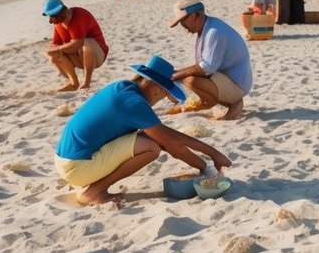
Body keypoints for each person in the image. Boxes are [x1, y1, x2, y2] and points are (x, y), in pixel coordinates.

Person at [53, 54, 233, 206]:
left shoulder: (123, 88)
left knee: (153, 138)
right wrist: (206, 167)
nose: (161, 98)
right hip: (77, 167)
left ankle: (93, 186)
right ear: (155, 88)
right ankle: (95, 192)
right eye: (164, 94)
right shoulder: (134, 103)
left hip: (68, 160)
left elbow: (168, 137)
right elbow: (172, 145)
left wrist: (211, 156)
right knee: (151, 147)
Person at [168, 0, 254, 120]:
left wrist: (175, 75)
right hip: (227, 77)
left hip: (238, 84)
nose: (183, 26)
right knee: (185, 79)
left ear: (196, 15)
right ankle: (228, 100)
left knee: (191, 80)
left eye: (183, 21)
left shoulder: (214, 32)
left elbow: (206, 68)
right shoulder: (207, 27)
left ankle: (234, 102)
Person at [43, 0, 109, 92]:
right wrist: (50, 52)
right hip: (78, 57)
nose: (50, 21)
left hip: (97, 55)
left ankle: (86, 83)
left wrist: (55, 49)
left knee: (86, 42)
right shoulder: (58, 24)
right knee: (53, 53)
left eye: (51, 17)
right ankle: (74, 83)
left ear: (60, 15)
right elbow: (56, 43)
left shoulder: (79, 16)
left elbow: (78, 43)